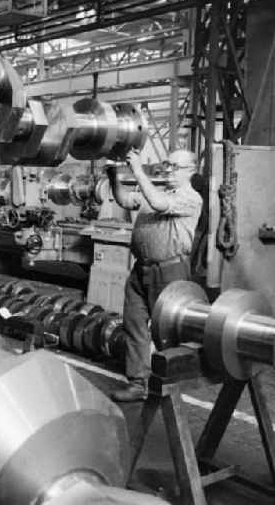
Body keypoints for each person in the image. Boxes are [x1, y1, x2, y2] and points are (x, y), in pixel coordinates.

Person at [107, 149, 203, 402]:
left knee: (168, 331)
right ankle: (138, 383)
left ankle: (170, 385)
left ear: (191, 170)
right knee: (135, 325)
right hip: (141, 269)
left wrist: (138, 169)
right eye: (166, 164)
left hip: (169, 271)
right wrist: (113, 174)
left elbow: (159, 203)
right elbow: (126, 201)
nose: (168, 170)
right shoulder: (155, 191)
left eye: (175, 166)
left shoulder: (190, 198)